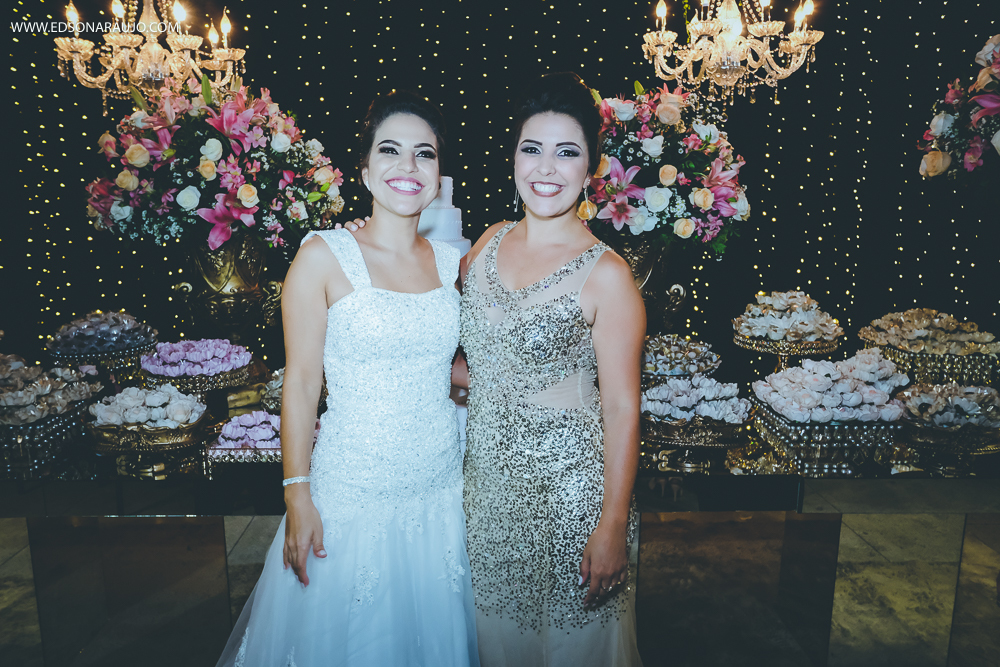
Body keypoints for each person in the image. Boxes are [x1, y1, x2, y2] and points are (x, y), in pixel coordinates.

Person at [215, 91, 479, 667]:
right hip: (351, 496)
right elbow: (301, 385)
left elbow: (447, 365)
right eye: (390, 150)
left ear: (438, 177)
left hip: (439, 494)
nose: (408, 166)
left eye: (424, 154)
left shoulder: (451, 264)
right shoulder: (322, 256)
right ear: (363, 170)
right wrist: (297, 494)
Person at [458, 72, 645, 666]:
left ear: (591, 168)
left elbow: (622, 406)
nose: (546, 168)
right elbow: (474, 360)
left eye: (567, 152)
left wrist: (612, 524)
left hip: (572, 500)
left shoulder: (608, 275)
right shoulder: (485, 245)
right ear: (513, 158)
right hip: (488, 497)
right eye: (532, 149)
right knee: (501, 645)